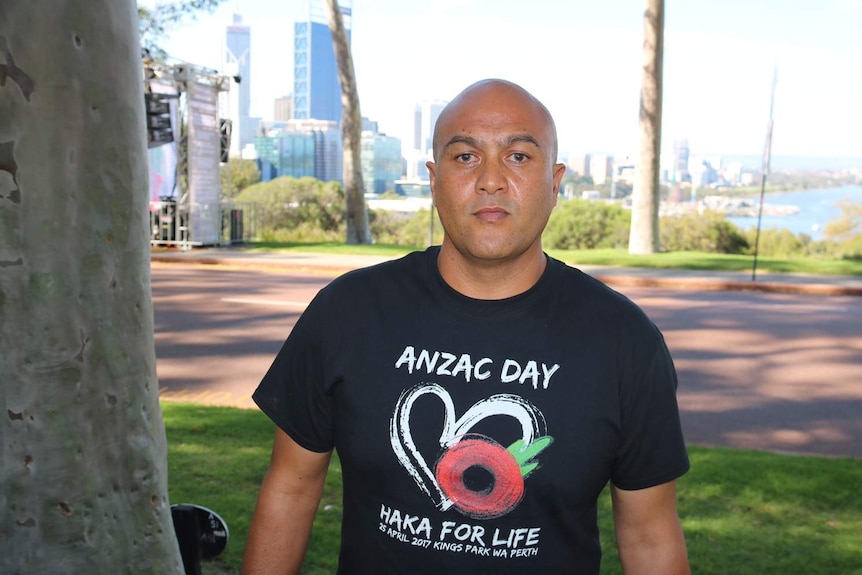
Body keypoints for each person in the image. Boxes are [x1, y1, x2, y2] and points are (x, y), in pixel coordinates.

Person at [243, 79, 691, 574]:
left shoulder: (623, 341)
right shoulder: (348, 311)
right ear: (434, 180)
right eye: (465, 157)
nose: (491, 180)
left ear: (556, 182)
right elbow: (290, 488)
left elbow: (649, 534)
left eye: (519, 156)